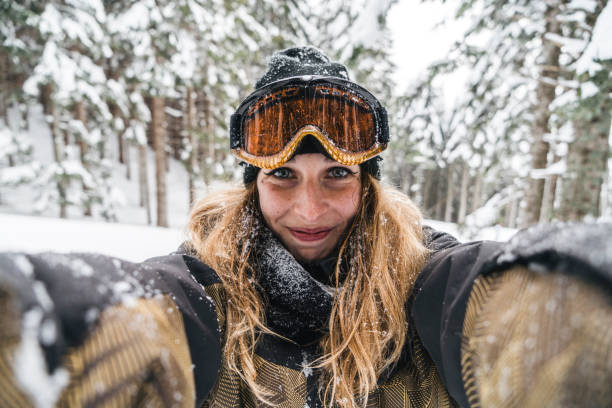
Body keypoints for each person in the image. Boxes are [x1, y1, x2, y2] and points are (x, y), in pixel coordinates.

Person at [0, 46, 611, 408]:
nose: (310, 210)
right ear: (253, 183)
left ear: (369, 184)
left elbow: (503, 313)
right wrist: (37, 323)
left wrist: (580, 312)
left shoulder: (424, 283)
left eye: (337, 177)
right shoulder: (205, 292)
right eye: (283, 177)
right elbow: (152, 319)